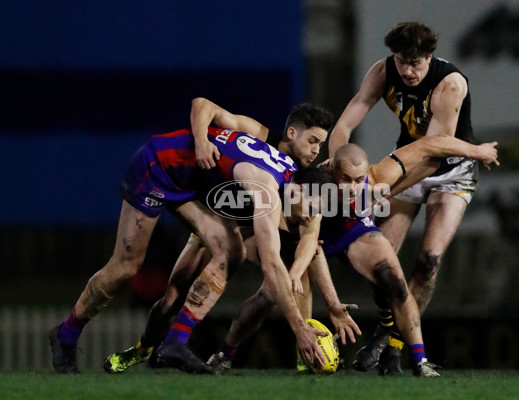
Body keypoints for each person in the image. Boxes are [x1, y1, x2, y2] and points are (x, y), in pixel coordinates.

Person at [49, 98, 338, 374]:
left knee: (229, 250)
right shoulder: (267, 188)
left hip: (194, 188)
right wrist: (299, 329)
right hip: (157, 167)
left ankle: (174, 343)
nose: (311, 216)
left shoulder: (291, 171)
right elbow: (271, 265)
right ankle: (66, 334)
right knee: (127, 266)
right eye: (312, 208)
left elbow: (308, 236)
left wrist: (330, 302)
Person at [207, 139, 498, 377]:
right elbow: (312, 244)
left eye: (358, 180)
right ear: (332, 168)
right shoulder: (315, 185)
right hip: (311, 240)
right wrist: (313, 288)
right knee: (271, 293)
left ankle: (419, 360)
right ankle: (225, 354)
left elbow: (430, 144)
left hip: (353, 232)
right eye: (345, 178)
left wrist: (478, 151)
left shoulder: (379, 176)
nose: (351, 186)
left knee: (394, 280)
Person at [328, 21, 488, 371]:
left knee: (428, 261)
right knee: (380, 257)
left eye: (416, 62)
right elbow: (344, 123)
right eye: (402, 61)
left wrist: (377, 190)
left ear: (430, 56)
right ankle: (388, 326)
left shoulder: (450, 83)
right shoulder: (383, 72)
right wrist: (339, 166)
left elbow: (432, 152)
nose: (408, 70)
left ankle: (392, 344)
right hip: (408, 161)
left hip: (449, 171)